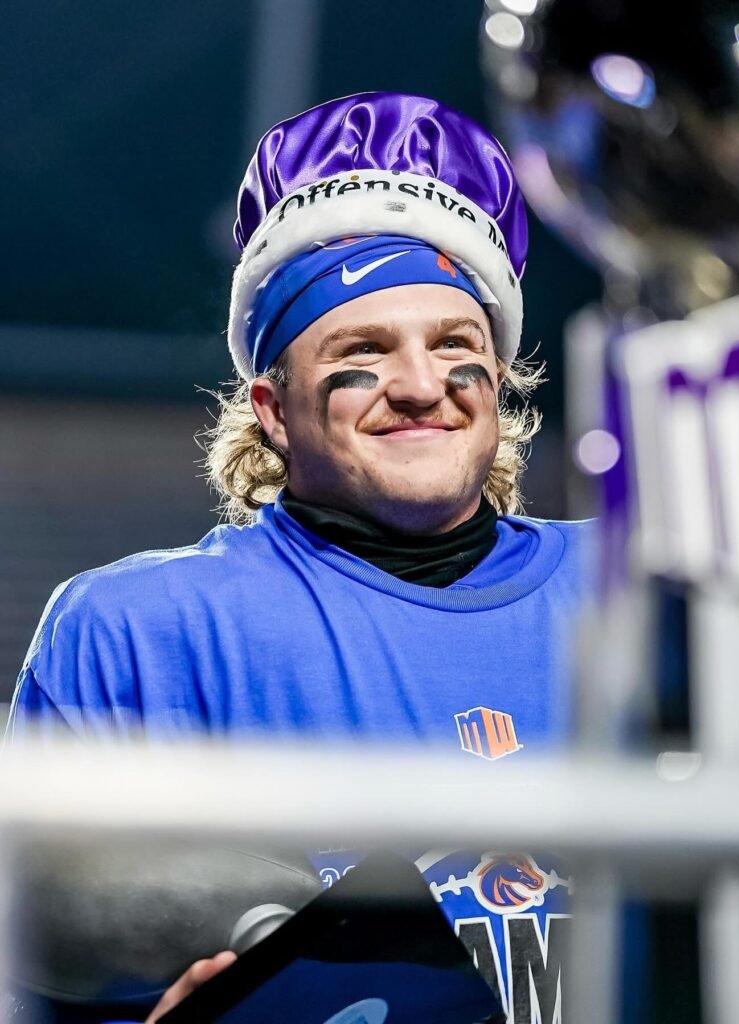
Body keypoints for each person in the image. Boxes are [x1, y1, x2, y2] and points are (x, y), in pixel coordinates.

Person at [9, 93, 593, 1023]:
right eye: (365, 349)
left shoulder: (641, 595)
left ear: (497, 376)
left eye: (455, 343)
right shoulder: (137, 632)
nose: (420, 385)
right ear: (274, 409)